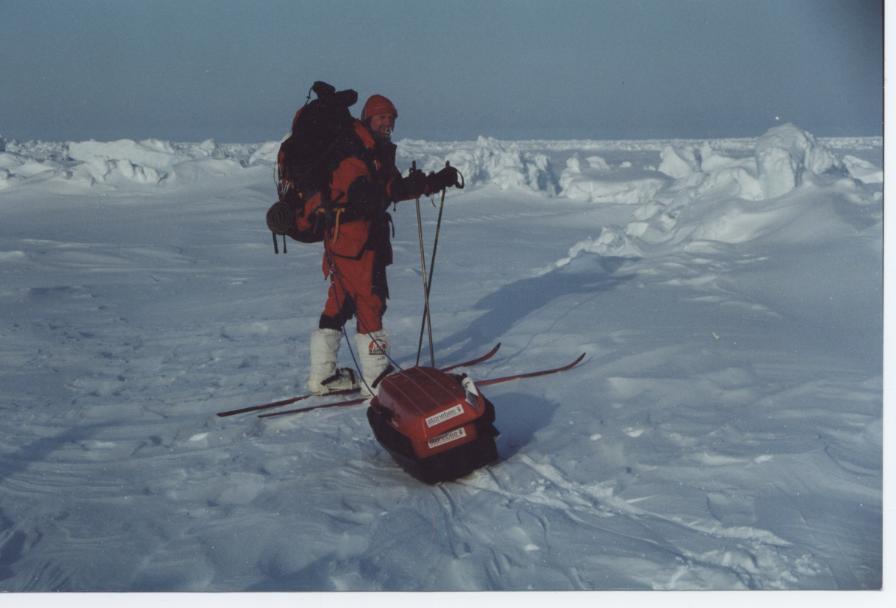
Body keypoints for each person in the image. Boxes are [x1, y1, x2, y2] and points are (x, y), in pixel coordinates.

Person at [307, 93, 460, 396]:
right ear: (368, 119)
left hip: (347, 240)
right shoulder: (354, 150)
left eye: (391, 118)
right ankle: (376, 381)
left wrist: (431, 182)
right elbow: (368, 194)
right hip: (356, 241)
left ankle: (322, 377)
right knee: (370, 300)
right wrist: (403, 188)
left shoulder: (373, 150)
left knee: (340, 301)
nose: (387, 123)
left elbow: (391, 187)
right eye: (381, 117)